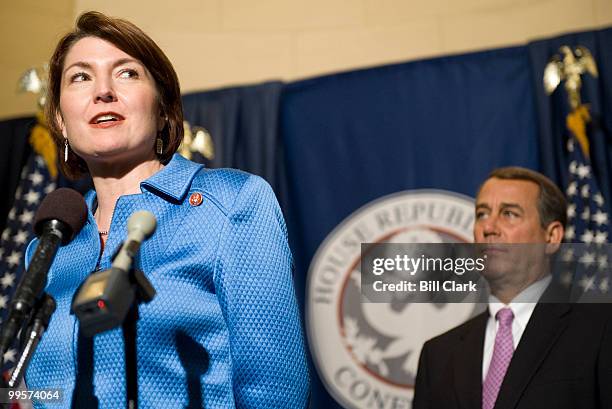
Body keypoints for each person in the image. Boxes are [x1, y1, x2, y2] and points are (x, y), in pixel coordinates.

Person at [23, 11, 310, 408]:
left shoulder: (231, 202)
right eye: (81, 77)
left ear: (162, 110)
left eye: (126, 73)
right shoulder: (51, 244)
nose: (103, 91)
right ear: (60, 118)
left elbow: (274, 391)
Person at [412, 167, 612, 409]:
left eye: (509, 213)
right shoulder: (438, 355)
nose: (489, 227)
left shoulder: (600, 331)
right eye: (482, 214)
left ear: (551, 237)